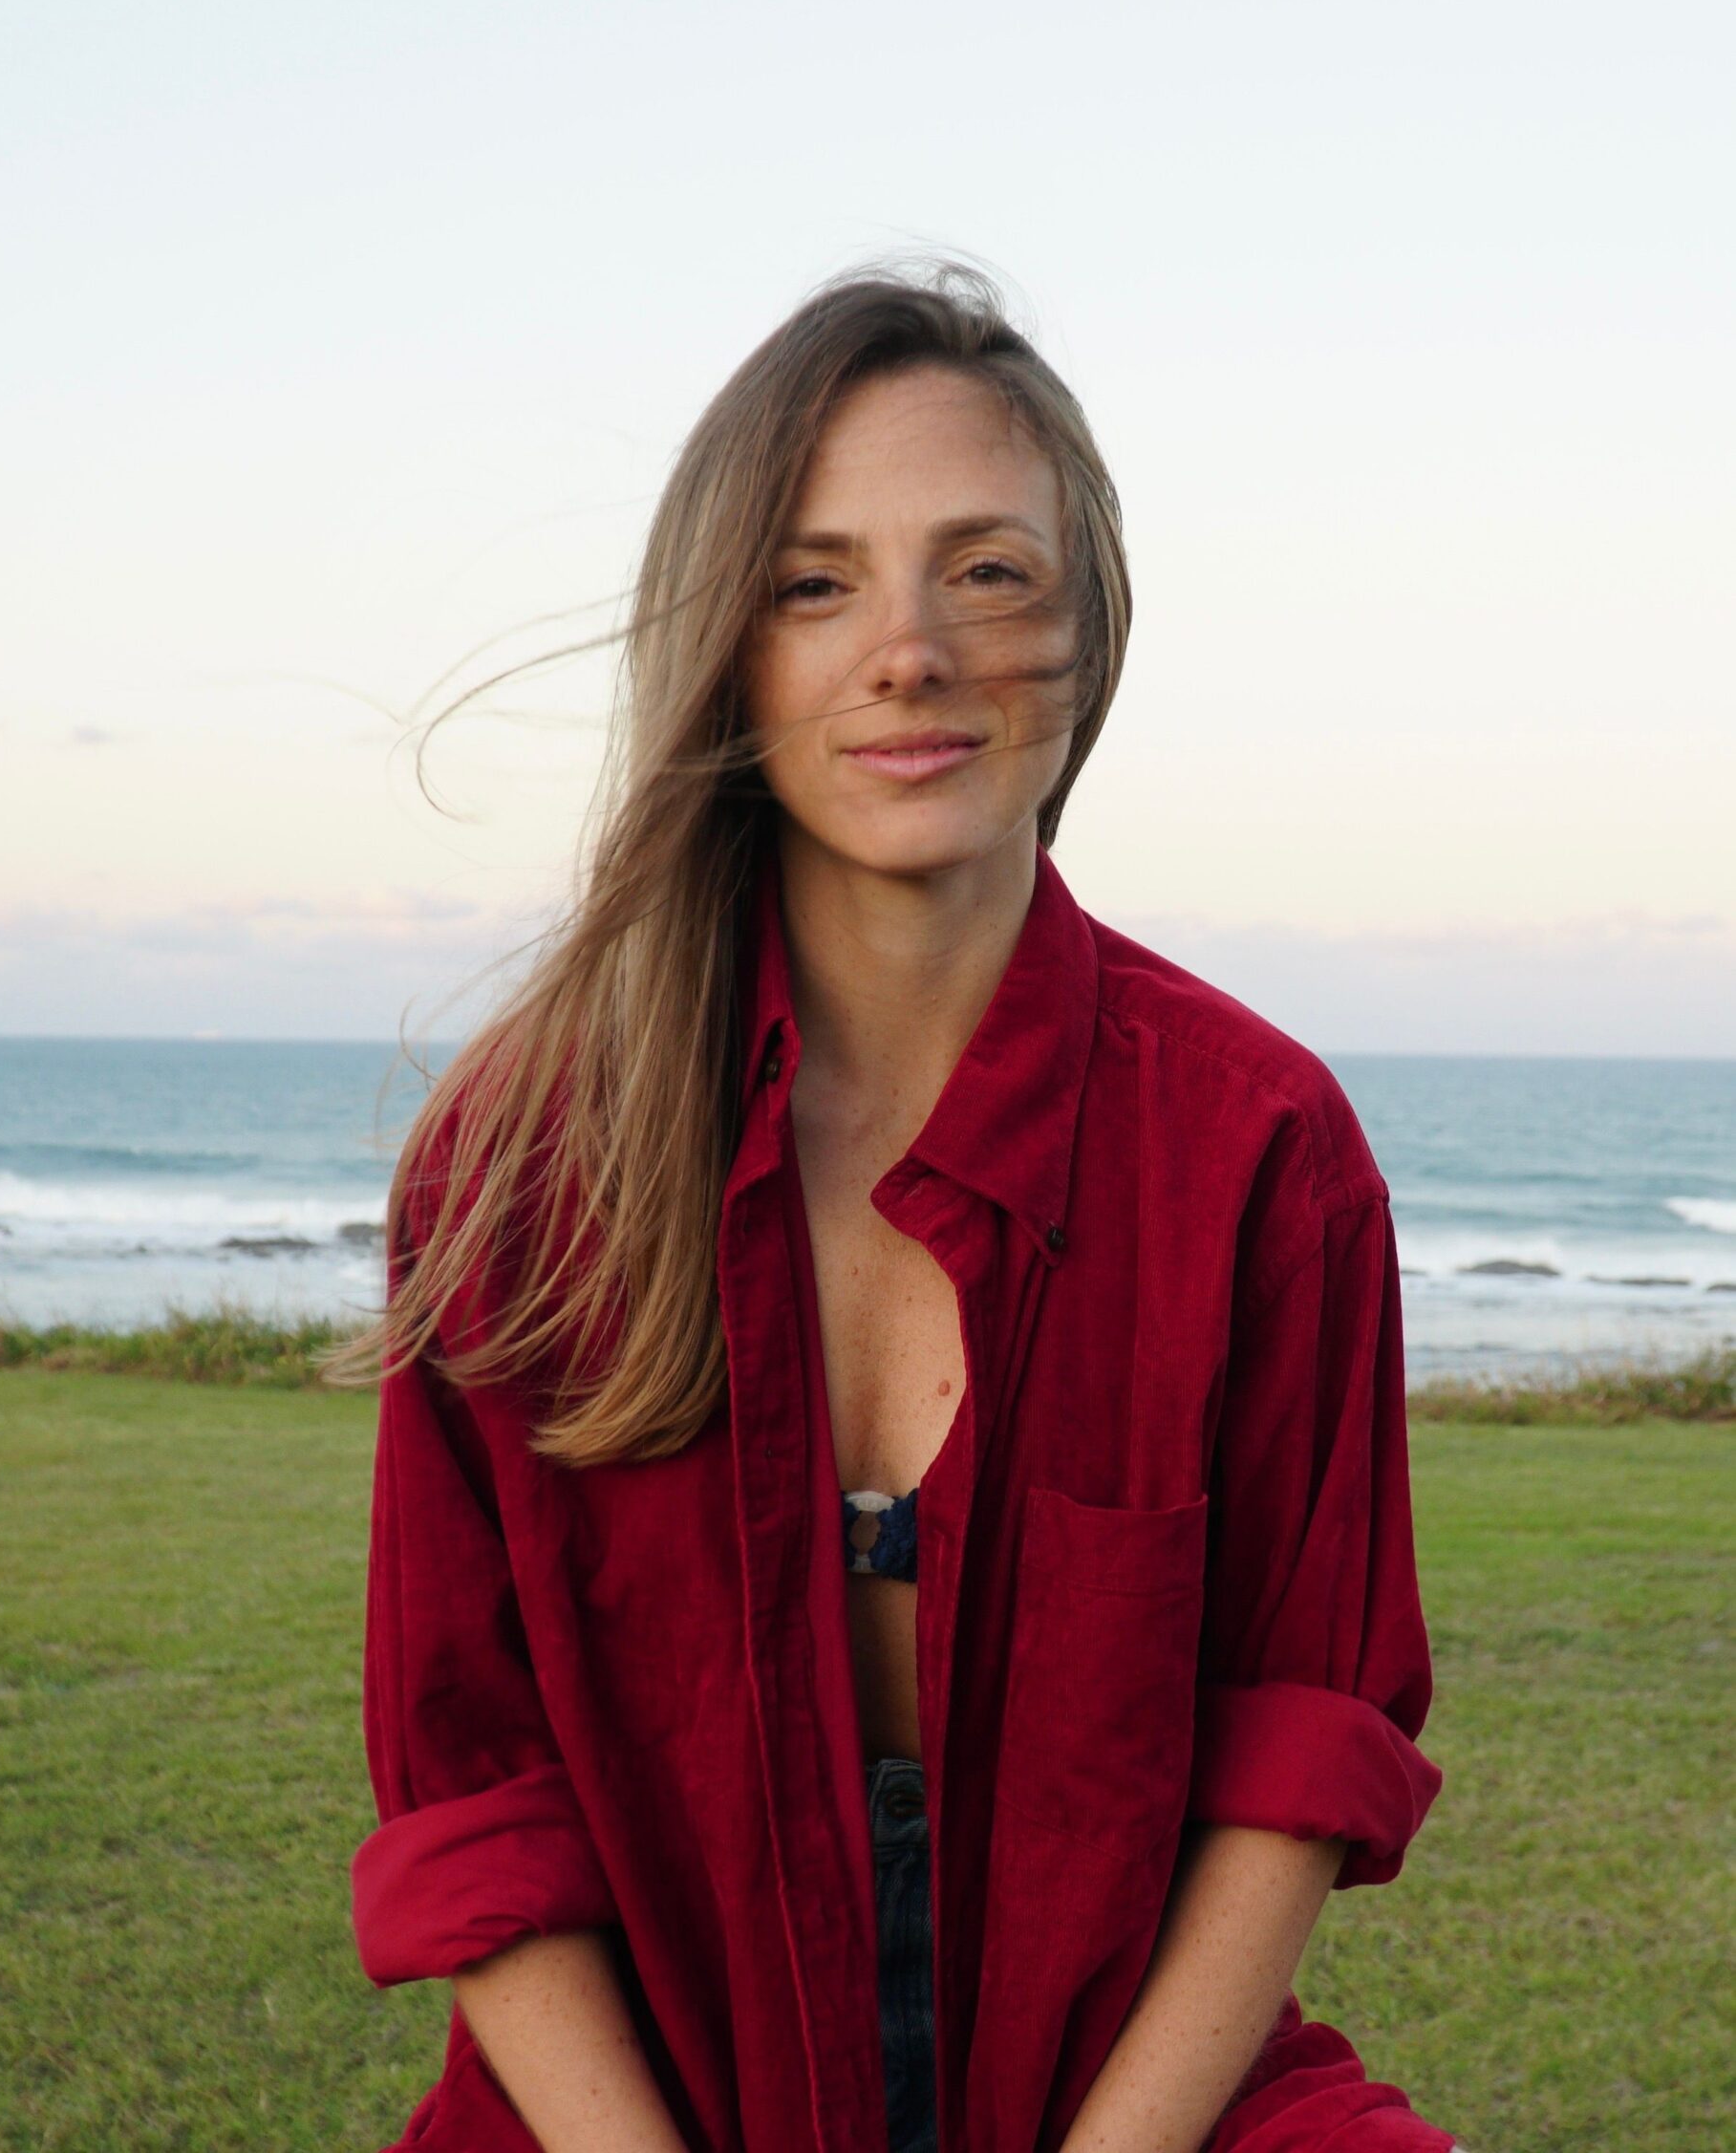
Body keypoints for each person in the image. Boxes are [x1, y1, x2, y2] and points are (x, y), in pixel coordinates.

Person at [333, 264, 1467, 2152]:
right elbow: (476, 1791)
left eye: (988, 571)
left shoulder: (1260, 1146)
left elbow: (1293, 1744)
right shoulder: (519, 1163)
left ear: (1091, 631)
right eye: (814, 582)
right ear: (727, 649)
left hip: (1140, 2100)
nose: (909, 650)